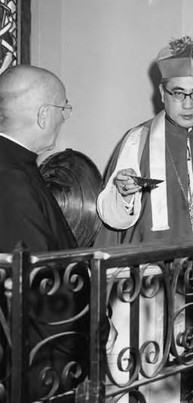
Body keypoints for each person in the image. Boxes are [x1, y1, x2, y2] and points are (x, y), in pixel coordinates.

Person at [0, 65, 87, 400]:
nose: (65, 117)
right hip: (41, 363)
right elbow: (37, 280)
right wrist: (85, 335)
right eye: (63, 108)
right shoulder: (11, 178)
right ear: (42, 115)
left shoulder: (18, 164)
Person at [96, 37, 193, 244]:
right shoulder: (138, 140)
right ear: (162, 93)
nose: (188, 105)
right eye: (178, 93)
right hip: (150, 265)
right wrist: (124, 195)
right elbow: (113, 219)